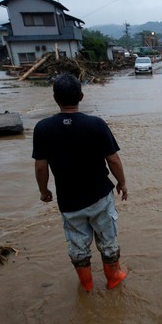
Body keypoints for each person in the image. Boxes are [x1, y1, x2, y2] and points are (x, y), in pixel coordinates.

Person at [32, 74, 128, 292]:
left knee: (77, 242)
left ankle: (86, 284)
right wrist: (121, 182)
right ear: (81, 96)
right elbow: (113, 159)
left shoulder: (43, 128)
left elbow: (40, 166)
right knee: (107, 238)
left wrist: (43, 190)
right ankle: (113, 278)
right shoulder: (96, 124)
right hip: (100, 195)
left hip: (69, 199)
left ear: (55, 98)